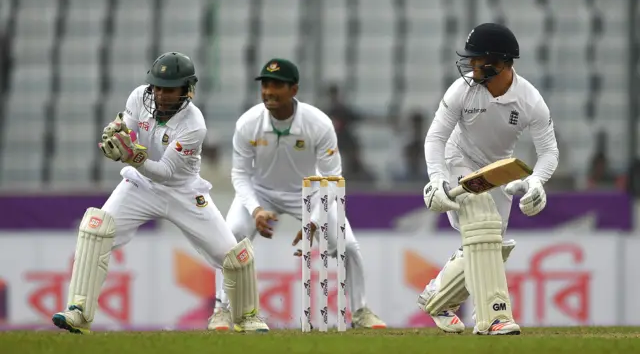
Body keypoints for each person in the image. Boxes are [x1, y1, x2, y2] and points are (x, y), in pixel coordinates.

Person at [51, 52, 269, 334]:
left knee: (232, 256)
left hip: (183, 191)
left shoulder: (194, 125)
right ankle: (78, 311)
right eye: (158, 87)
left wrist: (132, 158)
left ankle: (247, 316)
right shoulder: (138, 97)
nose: (162, 94)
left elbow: (165, 171)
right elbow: (128, 135)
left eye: (170, 89)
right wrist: (117, 135)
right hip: (139, 186)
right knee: (96, 230)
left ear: (187, 90)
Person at [207, 58, 386, 330]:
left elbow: (332, 179)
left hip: (312, 192)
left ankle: (360, 311)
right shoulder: (248, 123)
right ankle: (221, 308)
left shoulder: (318, 123)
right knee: (231, 239)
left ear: (294, 90)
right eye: (265, 84)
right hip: (261, 191)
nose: (269, 91)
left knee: (348, 246)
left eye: (277, 85)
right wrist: (255, 209)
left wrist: (314, 220)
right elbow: (240, 175)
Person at [419, 23, 559, 335]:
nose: (470, 66)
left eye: (477, 60)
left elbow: (549, 151)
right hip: (460, 158)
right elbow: (435, 138)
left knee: (491, 245)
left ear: (501, 63)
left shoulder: (530, 100)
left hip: (498, 171)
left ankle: (437, 297)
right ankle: (494, 317)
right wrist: (438, 179)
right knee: (481, 222)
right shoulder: (462, 90)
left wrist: (537, 181)